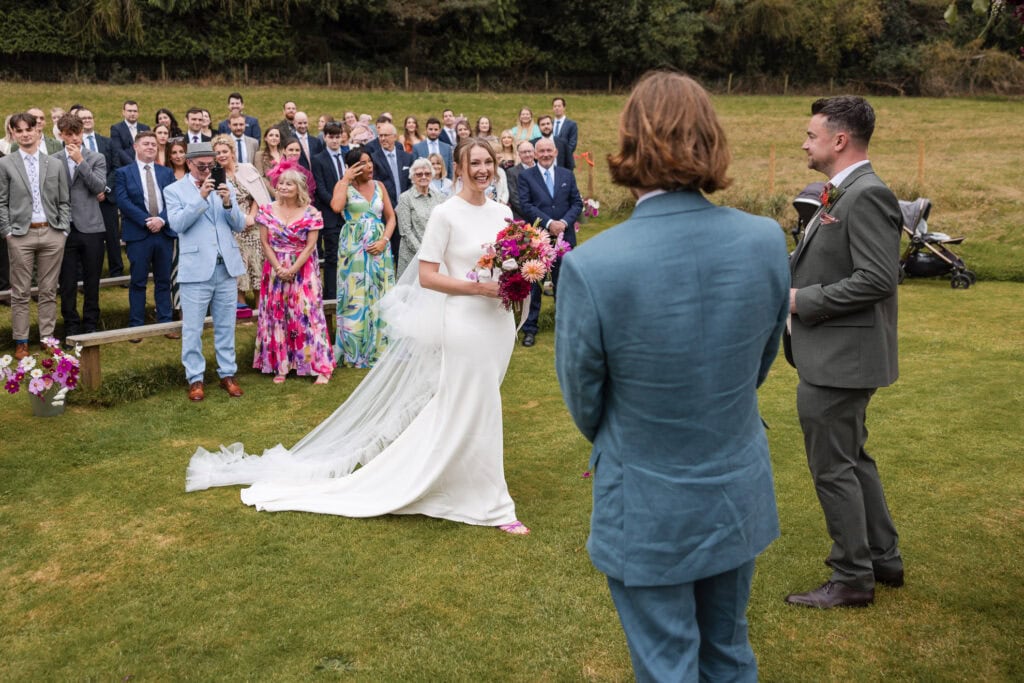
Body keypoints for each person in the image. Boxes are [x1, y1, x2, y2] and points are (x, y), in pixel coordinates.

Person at [555, 70, 790, 683]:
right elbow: (760, 362)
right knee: (727, 654)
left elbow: (584, 399)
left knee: (669, 665)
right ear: (711, 139)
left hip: (647, 499)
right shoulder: (765, 240)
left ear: (629, 142)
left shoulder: (594, 266)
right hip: (732, 486)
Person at [185, 137, 530, 537]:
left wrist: (521, 276)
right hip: (465, 321)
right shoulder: (445, 214)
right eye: (475, 163)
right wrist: (477, 289)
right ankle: (492, 501)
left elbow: (509, 262)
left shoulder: (503, 212)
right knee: (478, 405)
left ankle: (454, 474)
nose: (483, 170)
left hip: (497, 324)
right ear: (459, 167)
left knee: (470, 405)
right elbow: (427, 275)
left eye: (488, 162)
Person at [783, 95, 904, 609]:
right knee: (853, 459)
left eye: (811, 135)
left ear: (839, 140)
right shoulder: (843, 192)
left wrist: (799, 300)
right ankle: (883, 556)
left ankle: (853, 577)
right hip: (837, 355)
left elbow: (878, 278)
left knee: (834, 467)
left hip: (840, 359)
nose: (804, 143)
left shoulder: (868, 194)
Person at [164, 142, 247, 402]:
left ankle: (227, 374)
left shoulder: (226, 186)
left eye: (211, 166)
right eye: (202, 166)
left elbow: (240, 224)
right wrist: (200, 197)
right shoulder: (174, 190)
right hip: (196, 270)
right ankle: (195, 378)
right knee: (193, 329)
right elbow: (177, 224)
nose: (207, 170)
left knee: (226, 325)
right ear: (189, 163)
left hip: (226, 267)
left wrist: (227, 202)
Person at [253, 168, 334, 385]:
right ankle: (281, 364)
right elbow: (264, 243)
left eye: (289, 184)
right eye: (280, 183)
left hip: (303, 269)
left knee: (308, 315)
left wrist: (293, 270)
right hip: (274, 268)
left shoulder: (311, 213)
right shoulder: (266, 211)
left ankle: (320, 367)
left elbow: (310, 246)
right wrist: (279, 268)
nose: (283, 187)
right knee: (277, 315)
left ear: (299, 187)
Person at [0, 112, 70, 360]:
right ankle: (21, 341)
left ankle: (47, 339)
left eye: (28, 129)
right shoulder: (5, 163)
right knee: (19, 292)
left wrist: (62, 230)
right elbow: (1, 202)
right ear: (13, 134)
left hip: (51, 233)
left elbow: (64, 200)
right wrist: (8, 232)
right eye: (18, 130)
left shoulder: (55, 164)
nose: (24, 134)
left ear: (38, 131)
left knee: (49, 290)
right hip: (20, 235)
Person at [330, 147, 396, 368]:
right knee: (355, 295)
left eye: (370, 162)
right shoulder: (344, 187)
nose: (370, 167)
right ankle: (354, 349)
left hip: (379, 249)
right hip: (354, 249)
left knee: (379, 292)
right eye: (364, 163)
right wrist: (344, 179)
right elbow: (336, 207)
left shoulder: (379, 186)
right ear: (353, 167)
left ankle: (380, 348)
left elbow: (391, 218)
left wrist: (384, 241)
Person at [516, 136, 583, 348]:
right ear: (535, 154)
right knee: (535, 285)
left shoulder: (567, 174)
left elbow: (577, 203)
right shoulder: (526, 176)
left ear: (555, 152)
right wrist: (549, 222)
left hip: (565, 239)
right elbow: (525, 205)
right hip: (538, 240)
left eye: (549, 150)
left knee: (564, 284)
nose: (545, 154)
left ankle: (565, 329)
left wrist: (563, 222)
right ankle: (530, 329)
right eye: (541, 151)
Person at [113, 131, 177, 339]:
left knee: (163, 280)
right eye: (146, 144)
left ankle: (165, 323)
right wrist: (147, 220)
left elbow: (174, 201)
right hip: (139, 234)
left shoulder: (166, 173)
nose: (150, 147)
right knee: (138, 281)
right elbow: (123, 201)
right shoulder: (124, 173)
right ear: (135, 147)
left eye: (153, 144)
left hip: (163, 233)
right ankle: (136, 326)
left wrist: (161, 220)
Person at [55, 113, 107, 340]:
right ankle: (71, 326)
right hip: (63, 228)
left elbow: (98, 187)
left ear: (82, 133)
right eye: (69, 134)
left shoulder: (96, 157)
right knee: (66, 282)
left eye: (77, 133)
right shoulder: (53, 159)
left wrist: (80, 162)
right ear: (61, 135)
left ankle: (91, 325)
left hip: (92, 227)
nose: (74, 138)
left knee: (92, 280)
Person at [211, 135, 272, 317]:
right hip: (231, 228)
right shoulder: (215, 176)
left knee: (257, 265)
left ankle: (262, 308)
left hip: (253, 226)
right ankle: (242, 310)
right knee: (239, 268)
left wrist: (251, 216)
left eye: (224, 151)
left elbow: (257, 195)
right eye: (217, 153)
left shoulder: (247, 169)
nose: (221, 155)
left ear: (232, 152)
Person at [310, 121, 347, 302]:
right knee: (332, 256)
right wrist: (336, 204)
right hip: (331, 214)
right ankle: (331, 295)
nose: (334, 140)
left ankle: (347, 289)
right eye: (331, 137)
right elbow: (320, 188)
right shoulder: (319, 159)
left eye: (337, 136)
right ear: (325, 137)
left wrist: (347, 204)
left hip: (349, 212)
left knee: (348, 255)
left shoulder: (347, 155)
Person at [368, 122, 412, 259]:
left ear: (394, 137)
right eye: (380, 136)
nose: (382, 139)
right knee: (385, 250)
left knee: (403, 251)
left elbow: (411, 182)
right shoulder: (374, 158)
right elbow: (375, 185)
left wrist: (404, 204)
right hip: (385, 211)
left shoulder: (406, 157)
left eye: (386, 135)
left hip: (405, 209)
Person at [394, 157, 442, 278]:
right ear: (413, 177)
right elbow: (405, 230)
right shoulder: (405, 198)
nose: (423, 177)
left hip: (434, 253)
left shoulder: (439, 197)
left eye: (427, 173)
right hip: (412, 256)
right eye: (419, 174)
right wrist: (422, 252)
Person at [110, 100, 149, 167]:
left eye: (135, 111)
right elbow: (118, 150)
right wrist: (134, 165)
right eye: (129, 111)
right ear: (123, 112)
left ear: (138, 113)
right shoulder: (116, 129)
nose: (132, 113)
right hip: (126, 166)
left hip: (144, 165)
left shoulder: (145, 128)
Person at [506, 140, 535, 220]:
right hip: (522, 217)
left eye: (529, 151)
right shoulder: (512, 172)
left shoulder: (542, 170)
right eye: (524, 152)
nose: (527, 154)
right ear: (519, 154)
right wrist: (531, 214)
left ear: (534, 152)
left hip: (544, 216)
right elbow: (514, 198)